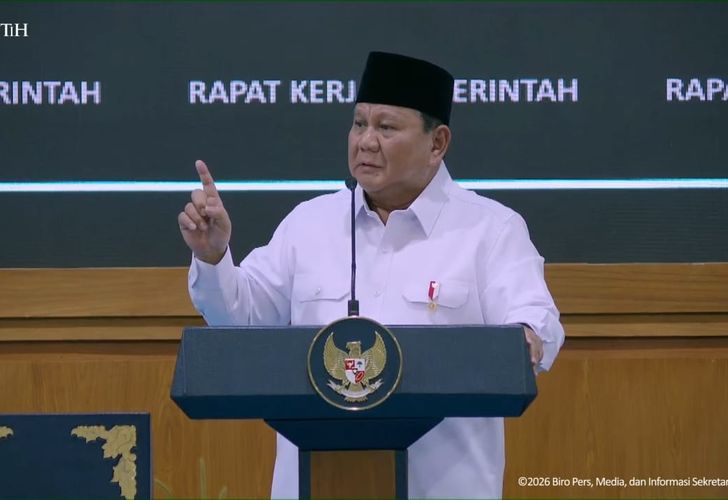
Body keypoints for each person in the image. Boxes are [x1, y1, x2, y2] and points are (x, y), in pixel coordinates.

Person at [178, 51, 564, 499]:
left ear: (437, 143)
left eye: (386, 127)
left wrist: (527, 338)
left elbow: (535, 320)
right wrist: (213, 256)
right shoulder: (309, 224)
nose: (365, 142)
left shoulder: (489, 229)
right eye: (359, 123)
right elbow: (240, 320)